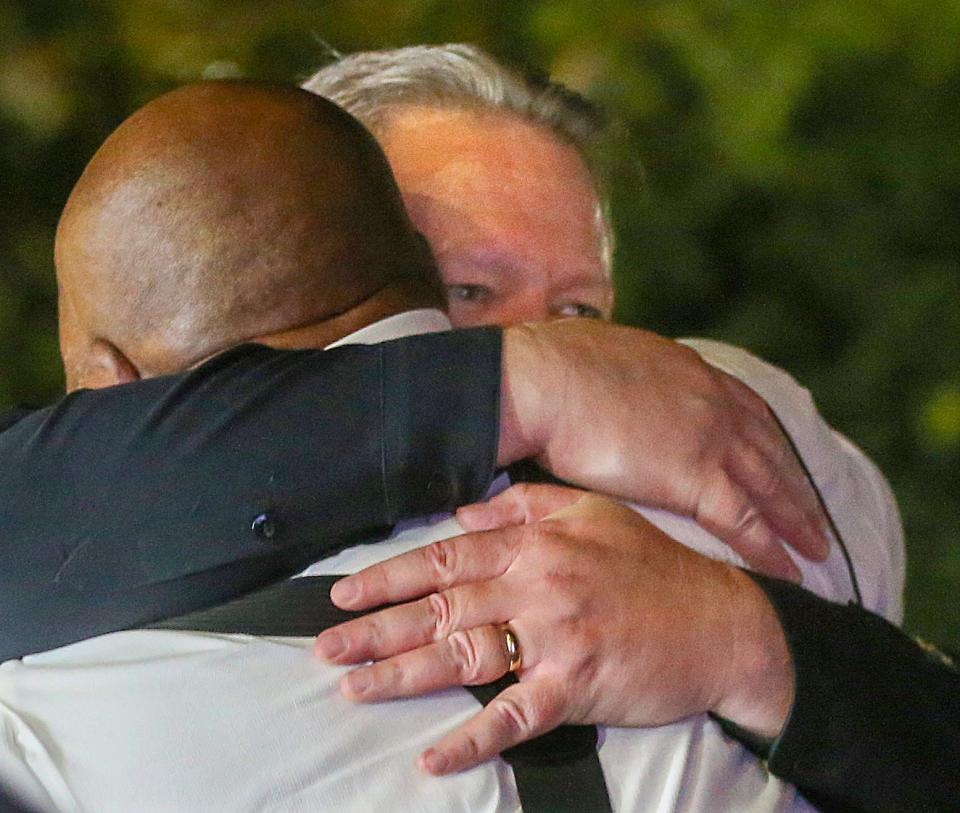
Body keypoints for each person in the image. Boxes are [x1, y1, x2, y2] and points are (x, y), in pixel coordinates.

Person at [0, 80, 825, 813]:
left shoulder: (55, 732)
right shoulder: (753, 474)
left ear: (105, 386)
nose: (524, 328)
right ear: (413, 272)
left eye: (578, 311)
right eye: (475, 291)